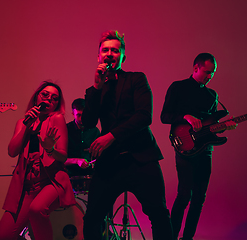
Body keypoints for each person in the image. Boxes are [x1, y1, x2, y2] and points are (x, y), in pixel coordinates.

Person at [82, 30, 173, 240]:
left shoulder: (136, 79)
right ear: (98, 56)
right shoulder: (93, 90)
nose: (110, 54)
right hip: (110, 162)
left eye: (115, 50)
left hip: (141, 158)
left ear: (122, 56)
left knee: (158, 213)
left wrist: (110, 136)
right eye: (105, 50)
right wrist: (97, 86)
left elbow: (144, 116)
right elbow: (87, 123)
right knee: (93, 218)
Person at [160, 53, 237, 240]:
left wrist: (224, 126)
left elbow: (210, 127)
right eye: (207, 72)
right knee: (184, 195)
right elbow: (164, 117)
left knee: (199, 200)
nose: (210, 76)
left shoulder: (212, 95)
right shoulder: (178, 87)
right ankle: (170, 236)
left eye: (213, 73)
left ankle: (188, 238)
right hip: (184, 148)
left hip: (205, 151)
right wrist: (185, 116)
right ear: (196, 67)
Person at [0, 81, 76, 240]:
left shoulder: (57, 119)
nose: (49, 99)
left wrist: (50, 149)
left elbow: (63, 156)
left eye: (54, 98)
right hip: (28, 187)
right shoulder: (22, 122)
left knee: (37, 209)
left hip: (51, 181)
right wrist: (26, 125)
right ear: (36, 97)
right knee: (1, 237)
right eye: (45, 94)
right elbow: (12, 151)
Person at [64, 98, 100, 177]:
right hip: (69, 176)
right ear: (73, 113)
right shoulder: (65, 130)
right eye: (78, 115)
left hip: (91, 175)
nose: (81, 119)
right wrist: (76, 161)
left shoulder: (95, 131)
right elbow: (58, 159)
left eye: (84, 115)